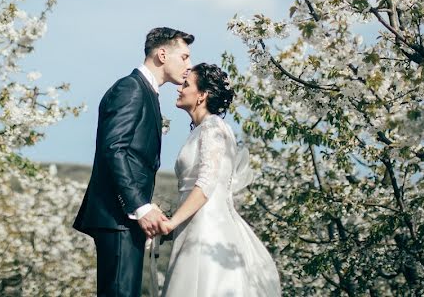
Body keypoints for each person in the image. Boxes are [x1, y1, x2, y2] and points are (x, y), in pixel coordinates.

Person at [73, 27, 194, 297]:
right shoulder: (131, 88)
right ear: (163, 54)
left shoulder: (146, 92)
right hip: (118, 217)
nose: (189, 65)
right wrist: (140, 207)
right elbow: (114, 148)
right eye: (184, 57)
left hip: (124, 219)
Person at [159, 62, 281, 297]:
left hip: (206, 228)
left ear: (202, 95)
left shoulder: (213, 128)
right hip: (193, 224)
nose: (179, 89)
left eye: (186, 84)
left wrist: (171, 222)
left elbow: (206, 184)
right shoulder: (202, 129)